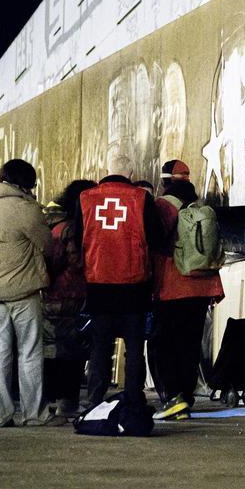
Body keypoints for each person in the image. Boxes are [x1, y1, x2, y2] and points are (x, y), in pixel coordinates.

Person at [76, 151, 166, 408]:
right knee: (134, 347)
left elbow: (77, 240)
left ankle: (94, 402)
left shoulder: (85, 199)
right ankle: (134, 401)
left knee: (100, 346)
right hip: (134, 285)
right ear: (131, 174)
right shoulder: (140, 198)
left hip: (98, 284)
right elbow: (156, 239)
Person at [0, 159, 52, 428]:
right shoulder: (26, 209)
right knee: (29, 352)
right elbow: (47, 245)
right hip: (21, 292)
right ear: (24, 184)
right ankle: (34, 414)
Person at [150, 169, 224, 420]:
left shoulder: (163, 205)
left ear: (164, 182)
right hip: (202, 285)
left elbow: (154, 240)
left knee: (164, 343)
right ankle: (185, 399)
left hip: (172, 285)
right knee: (190, 344)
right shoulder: (201, 206)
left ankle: (173, 398)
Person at [42, 179, 96, 418]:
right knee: (70, 352)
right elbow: (76, 262)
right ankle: (68, 402)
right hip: (69, 295)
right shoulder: (71, 228)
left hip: (53, 296)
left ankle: (48, 400)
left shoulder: (54, 225)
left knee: (52, 350)